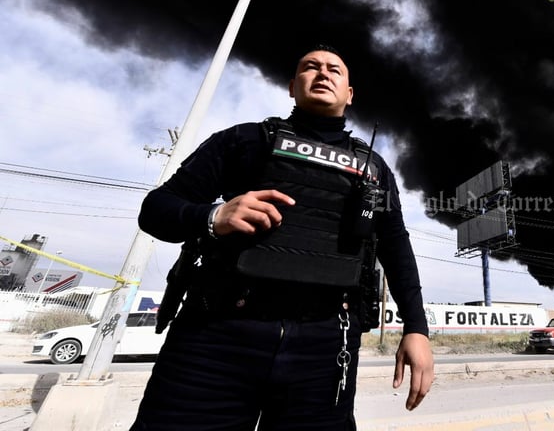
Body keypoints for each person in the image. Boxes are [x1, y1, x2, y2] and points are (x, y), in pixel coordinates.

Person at [131, 45, 434, 430]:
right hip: (217, 338)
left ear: (349, 93)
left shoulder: (374, 168)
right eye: (310, 67)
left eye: (333, 70)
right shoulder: (245, 141)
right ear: (293, 86)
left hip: (326, 347)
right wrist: (212, 216)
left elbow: (396, 248)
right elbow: (155, 209)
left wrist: (417, 329)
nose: (322, 73)